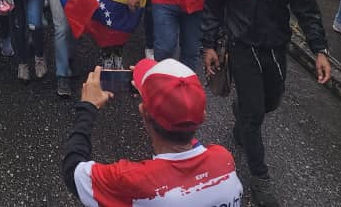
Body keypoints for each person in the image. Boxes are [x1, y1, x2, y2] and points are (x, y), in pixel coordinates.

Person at [203, 0, 331, 206]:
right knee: (254, 115)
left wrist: (320, 51)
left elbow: (307, 10)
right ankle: (260, 178)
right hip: (241, 49)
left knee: (270, 103)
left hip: (275, 48)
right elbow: (211, 10)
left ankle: (242, 115)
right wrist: (208, 46)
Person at [62, 61, 243, 207]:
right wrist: (160, 92)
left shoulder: (137, 183)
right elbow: (183, 128)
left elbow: (73, 170)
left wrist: (87, 107)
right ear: (202, 116)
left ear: (143, 112)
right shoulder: (224, 160)